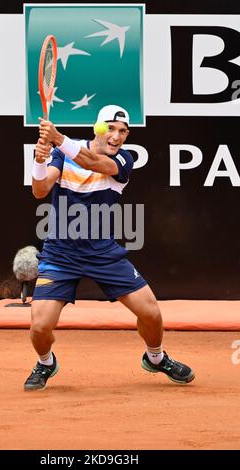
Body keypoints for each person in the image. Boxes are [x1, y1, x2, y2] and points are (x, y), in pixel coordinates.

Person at [24, 105, 195, 391]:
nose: (116, 136)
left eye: (123, 131)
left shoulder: (124, 160)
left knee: (151, 313)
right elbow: (39, 190)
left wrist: (57, 139)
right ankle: (45, 363)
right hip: (60, 254)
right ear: (97, 127)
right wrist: (40, 161)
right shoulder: (64, 154)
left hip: (103, 252)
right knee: (40, 327)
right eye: (110, 128)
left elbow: (93, 163)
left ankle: (155, 357)